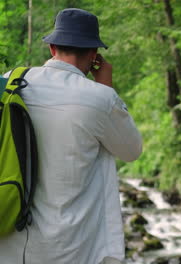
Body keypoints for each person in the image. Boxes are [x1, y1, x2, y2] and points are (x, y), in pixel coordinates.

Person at [0, 8, 142, 264]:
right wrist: (105, 86)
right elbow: (131, 150)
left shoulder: (10, 82)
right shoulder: (100, 97)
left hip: (9, 240)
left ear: (52, 47)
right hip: (71, 247)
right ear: (93, 54)